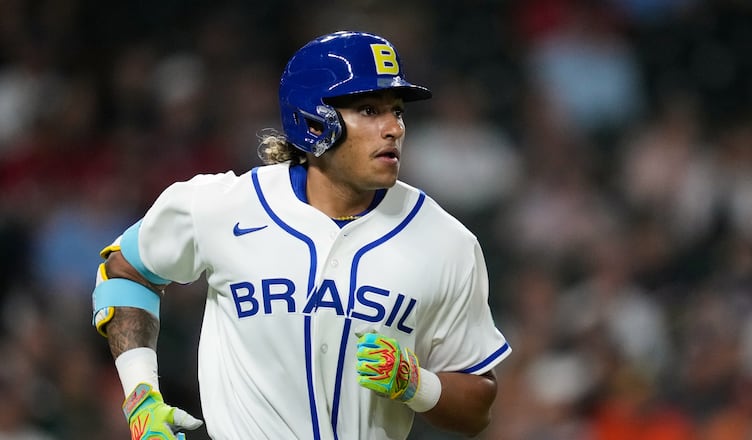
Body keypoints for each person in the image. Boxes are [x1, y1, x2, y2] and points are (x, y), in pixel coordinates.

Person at [91, 30, 511, 440]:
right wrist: (141, 396)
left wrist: (417, 384)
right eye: (369, 110)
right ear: (312, 118)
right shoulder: (222, 205)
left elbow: (478, 408)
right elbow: (126, 272)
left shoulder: (446, 242)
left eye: (397, 110)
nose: (394, 128)